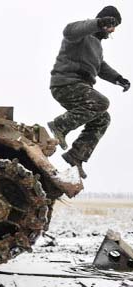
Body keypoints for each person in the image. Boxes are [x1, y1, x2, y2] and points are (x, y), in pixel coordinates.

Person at [48, 6, 130, 179]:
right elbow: (69, 30)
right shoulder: (82, 34)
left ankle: (76, 155)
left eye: (115, 26)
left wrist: (118, 78)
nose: (113, 29)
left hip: (80, 88)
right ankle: (60, 125)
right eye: (112, 24)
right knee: (101, 102)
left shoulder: (97, 46)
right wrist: (98, 23)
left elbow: (101, 67)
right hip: (65, 84)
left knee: (103, 119)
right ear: (104, 20)